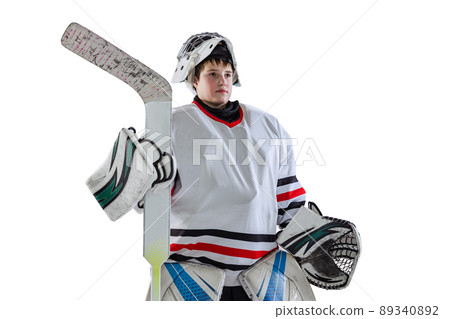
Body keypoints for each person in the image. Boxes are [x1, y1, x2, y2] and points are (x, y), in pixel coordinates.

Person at [168, 32, 307, 301]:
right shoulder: (173, 125)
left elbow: (288, 203)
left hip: (263, 277)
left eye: (228, 74)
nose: (223, 81)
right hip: (193, 278)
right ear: (193, 79)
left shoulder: (269, 125)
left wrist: (312, 238)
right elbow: (145, 202)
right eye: (212, 73)